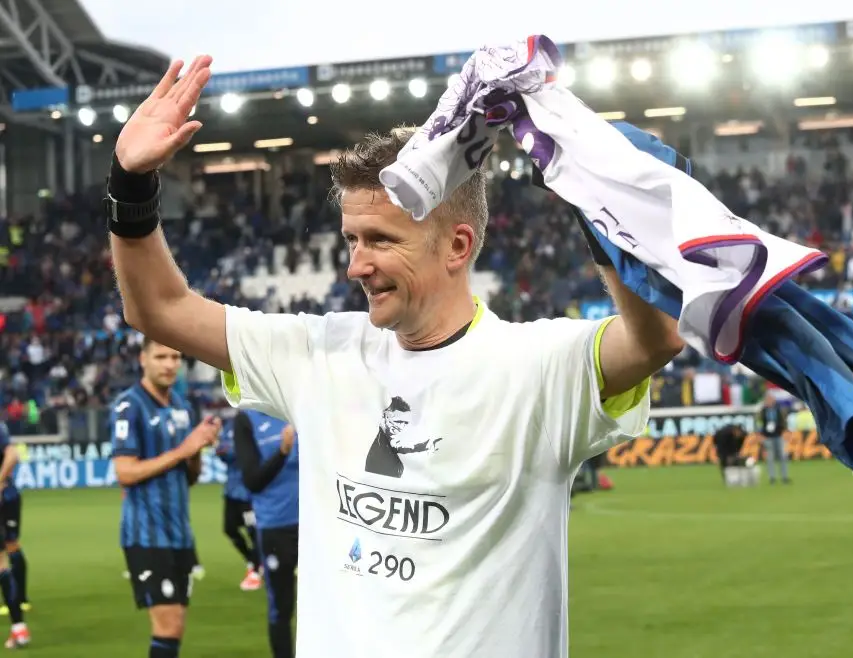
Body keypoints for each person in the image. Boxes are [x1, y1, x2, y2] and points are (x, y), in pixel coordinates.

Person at [106, 55, 682, 657]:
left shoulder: (537, 365)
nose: (356, 265)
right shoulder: (318, 353)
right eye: (353, 239)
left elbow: (653, 339)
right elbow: (161, 310)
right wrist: (129, 182)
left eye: (381, 240)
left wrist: (601, 204)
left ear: (457, 245)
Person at [111, 336, 220, 658]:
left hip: (179, 534)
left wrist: (197, 451)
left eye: (175, 357)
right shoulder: (129, 406)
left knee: (175, 629)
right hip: (146, 535)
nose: (170, 364)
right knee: (168, 627)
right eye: (161, 357)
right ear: (143, 360)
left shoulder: (182, 408)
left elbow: (190, 478)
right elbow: (125, 472)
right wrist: (184, 449)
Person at [233, 411, 299, 658]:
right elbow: (252, 481)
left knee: (324, 603)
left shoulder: (295, 408)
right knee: (281, 607)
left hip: (314, 526)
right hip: (276, 526)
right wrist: (282, 451)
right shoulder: (246, 420)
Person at [215, 418, 262, 591]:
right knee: (229, 529)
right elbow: (221, 451)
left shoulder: (255, 423)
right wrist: (225, 450)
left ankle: (256, 572)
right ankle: (253, 559)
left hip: (249, 491)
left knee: (254, 531)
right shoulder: (231, 424)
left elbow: (247, 453)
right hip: (232, 490)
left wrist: (228, 450)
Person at [0, 421, 28, 648]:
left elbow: (13, 455)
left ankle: (19, 627)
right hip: (6, 495)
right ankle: (19, 627)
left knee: (6, 555)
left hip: (5, 497)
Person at [758, 390, 791, 484]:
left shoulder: (778, 409)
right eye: (767, 399)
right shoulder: (762, 411)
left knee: (783, 457)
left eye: (770, 399)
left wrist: (784, 431)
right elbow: (759, 424)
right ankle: (772, 478)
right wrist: (761, 435)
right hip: (768, 437)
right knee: (770, 458)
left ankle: (785, 477)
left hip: (778, 436)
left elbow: (783, 421)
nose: (768, 401)